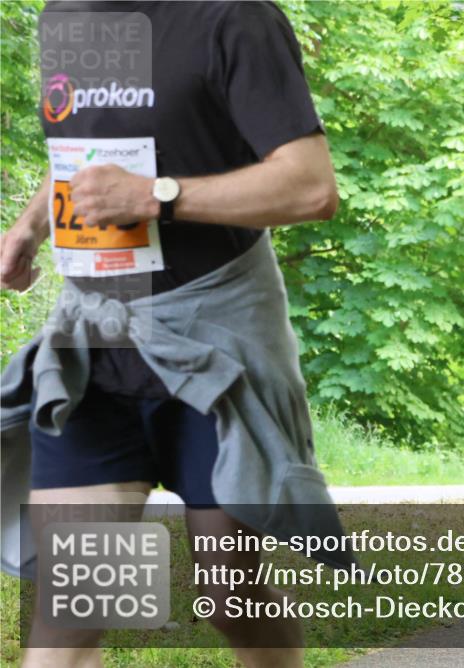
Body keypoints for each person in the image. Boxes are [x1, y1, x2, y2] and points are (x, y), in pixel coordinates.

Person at [0, 4, 345, 667]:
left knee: (229, 595)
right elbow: (85, 147)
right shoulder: (67, 18)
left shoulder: (233, 19)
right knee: (78, 608)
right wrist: (32, 223)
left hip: (216, 351)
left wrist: (157, 197)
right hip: (94, 353)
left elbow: (311, 186)